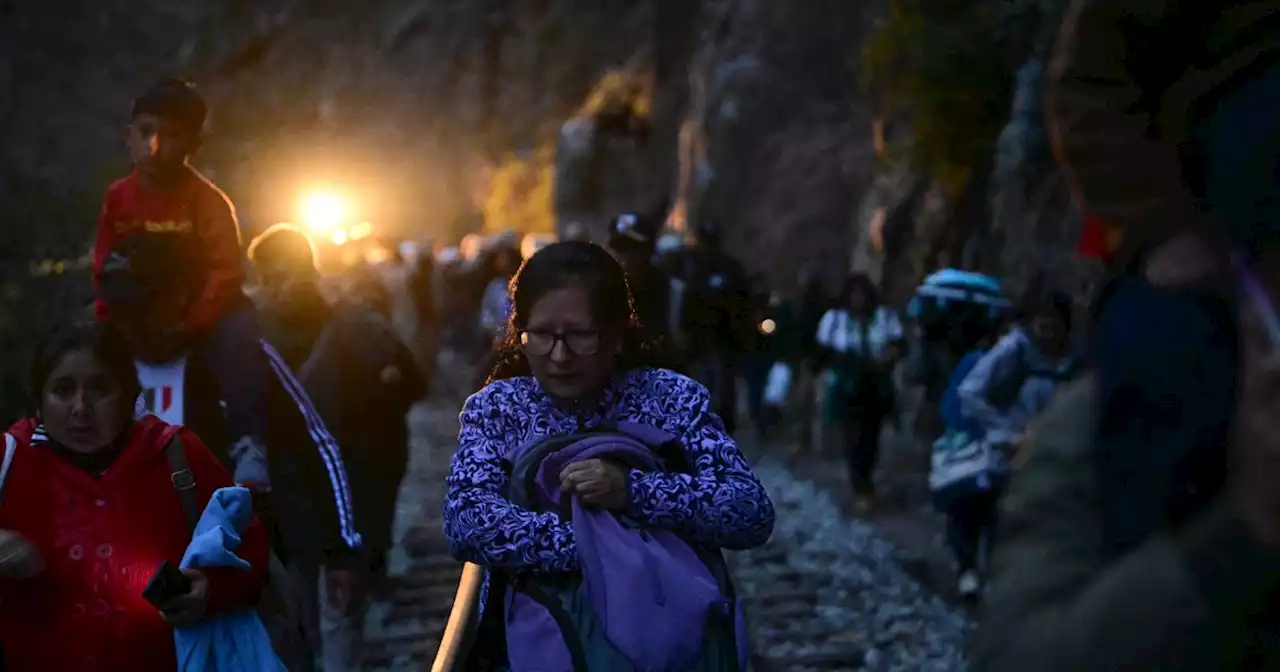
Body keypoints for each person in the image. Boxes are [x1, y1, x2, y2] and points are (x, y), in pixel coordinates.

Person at [969, 1, 1280, 666]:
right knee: (1162, 383)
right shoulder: (1160, 350)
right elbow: (1089, 89)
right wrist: (1240, 534)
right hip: (1207, 229)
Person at [442, 241, 775, 670]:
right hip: (541, 641)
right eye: (541, 336)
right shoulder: (500, 408)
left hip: (668, 642)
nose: (559, 356)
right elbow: (467, 519)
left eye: (580, 336)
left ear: (617, 333)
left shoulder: (669, 399)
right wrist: (605, 551)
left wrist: (633, 491)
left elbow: (749, 510)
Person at [98, 233, 363, 670]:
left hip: (241, 566)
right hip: (130, 577)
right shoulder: (99, 365)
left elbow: (315, 443)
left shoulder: (236, 359)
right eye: (128, 307)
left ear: (181, 295)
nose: (138, 320)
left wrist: (341, 547)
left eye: (148, 302)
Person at [0, 321, 270, 671]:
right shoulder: (9, 464)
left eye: (99, 388)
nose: (81, 407)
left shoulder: (176, 456)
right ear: (38, 401)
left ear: (129, 396)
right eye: (63, 390)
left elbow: (253, 550)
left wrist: (210, 590)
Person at [250, 225, 425, 671]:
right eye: (267, 279)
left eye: (285, 275)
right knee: (296, 635)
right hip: (286, 513)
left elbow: (405, 392)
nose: (277, 289)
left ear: (308, 270)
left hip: (347, 502)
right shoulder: (254, 336)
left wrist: (362, 538)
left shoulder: (356, 328)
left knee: (340, 631)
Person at [90, 77, 270, 491]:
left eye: (170, 135)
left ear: (193, 144)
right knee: (86, 347)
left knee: (241, 338)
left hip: (204, 312)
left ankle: (248, 442)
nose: (154, 146)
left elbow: (225, 271)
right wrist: (111, 318)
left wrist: (192, 324)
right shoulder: (118, 197)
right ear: (129, 137)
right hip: (139, 308)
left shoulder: (208, 200)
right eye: (145, 132)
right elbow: (103, 261)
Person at [814, 273, 904, 513]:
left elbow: (897, 345)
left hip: (875, 386)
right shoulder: (835, 320)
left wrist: (888, 355)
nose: (858, 300)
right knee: (851, 436)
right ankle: (860, 486)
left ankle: (867, 478)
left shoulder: (884, 318)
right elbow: (822, 353)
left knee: (870, 437)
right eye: (854, 295)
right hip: (846, 387)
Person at [679, 220, 754, 435]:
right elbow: (686, 307)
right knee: (699, 394)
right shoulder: (691, 272)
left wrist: (742, 338)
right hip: (699, 346)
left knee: (723, 396)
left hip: (725, 344)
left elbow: (744, 306)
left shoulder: (731, 271)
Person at [605, 211, 677, 347]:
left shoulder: (673, 294)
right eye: (619, 247)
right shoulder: (596, 292)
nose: (625, 257)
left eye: (633, 248)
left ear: (649, 251)